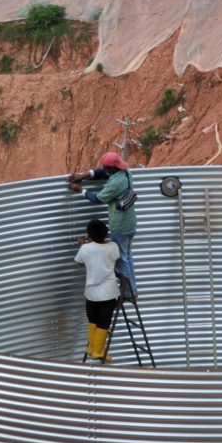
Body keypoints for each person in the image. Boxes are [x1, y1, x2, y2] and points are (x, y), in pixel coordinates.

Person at [67, 151, 137, 289]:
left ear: (113, 168)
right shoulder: (126, 173)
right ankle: (132, 289)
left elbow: (98, 198)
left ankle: (128, 292)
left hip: (120, 226)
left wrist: (80, 190)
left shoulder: (116, 183)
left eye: (106, 168)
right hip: (131, 223)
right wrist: (85, 175)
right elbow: (102, 173)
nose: (104, 170)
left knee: (122, 259)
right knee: (127, 257)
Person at [75, 218, 122, 364]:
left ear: (89, 234)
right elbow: (116, 257)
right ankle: (97, 351)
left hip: (91, 293)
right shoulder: (113, 247)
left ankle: (91, 348)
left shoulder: (85, 249)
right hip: (108, 293)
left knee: (93, 320)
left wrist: (83, 244)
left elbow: (79, 261)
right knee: (104, 323)